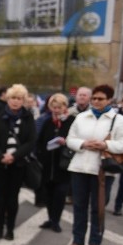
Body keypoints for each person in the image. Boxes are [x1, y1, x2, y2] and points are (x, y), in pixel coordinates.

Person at [65, 84, 123, 245]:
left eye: (100, 99)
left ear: (109, 100)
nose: (96, 101)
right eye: (94, 98)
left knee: (97, 207)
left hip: (102, 170)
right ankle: (77, 239)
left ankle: (95, 241)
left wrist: (105, 144)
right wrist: (83, 143)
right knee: (79, 206)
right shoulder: (82, 117)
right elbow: (70, 139)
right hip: (80, 167)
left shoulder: (118, 120)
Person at [0, 83, 36, 241]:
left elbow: (30, 142)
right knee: (0, 197)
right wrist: (1, 156)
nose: (16, 101)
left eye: (19, 98)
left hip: (18, 163)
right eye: (13, 98)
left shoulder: (28, 118)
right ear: (8, 99)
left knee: (13, 197)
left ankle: (10, 228)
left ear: (23, 100)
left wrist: (14, 156)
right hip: (0, 163)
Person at [36, 93, 74, 232]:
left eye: (59, 107)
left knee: (60, 193)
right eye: (54, 107)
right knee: (49, 194)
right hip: (47, 165)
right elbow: (40, 141)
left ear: (65, 107)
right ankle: (50, 218)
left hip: (63, 164)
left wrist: (66, 142)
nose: (56, 110)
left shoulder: (71, 121)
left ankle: (56, 221)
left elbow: (75, 139)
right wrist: (41, 153)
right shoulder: (47, 122)